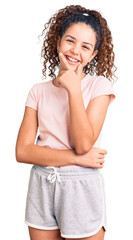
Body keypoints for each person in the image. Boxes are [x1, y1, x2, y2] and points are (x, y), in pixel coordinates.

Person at [15, 4, 117, 240]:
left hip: (80, 187)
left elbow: (83, 144)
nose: (75, 50)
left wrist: (73, 88)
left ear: (93, 55)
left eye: (85, 47)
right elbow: (23, 151)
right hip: (42, 184)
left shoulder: (98, 86)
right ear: (58, 41)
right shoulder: (38, 91)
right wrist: (77, 159)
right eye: (70, 41)